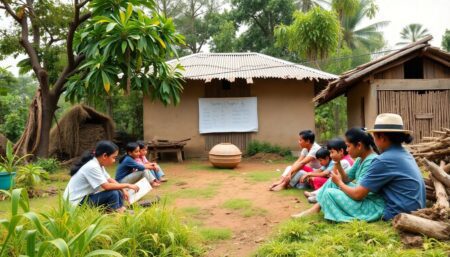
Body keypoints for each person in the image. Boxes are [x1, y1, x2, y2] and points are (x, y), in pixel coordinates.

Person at [291, 128, 385, 222]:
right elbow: (347, 179)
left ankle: (316, 208)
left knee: (329, 193)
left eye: (348, 146)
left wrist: (339, 183)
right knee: (333, 181)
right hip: (363, 198)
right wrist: (337, 162)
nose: (347, 150)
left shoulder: (371, 161)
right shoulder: (361, 159)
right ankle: (315, 209)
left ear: (359, 145)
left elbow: (358, 195)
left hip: (370, 206)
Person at [359, 113, 426, 220]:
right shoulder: (406, 153)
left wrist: (339, 183)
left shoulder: (383, 160)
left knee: (334, 195)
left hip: (399, 214)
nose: (374, 141)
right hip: (416, 209)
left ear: (382, 137)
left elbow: (358, 194)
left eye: (375, 136)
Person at [63, 140, 139, 213]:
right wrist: (128, 185)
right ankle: (115, 213)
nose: (114, 160)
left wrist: (123, 189)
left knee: (117, 190)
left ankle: (120, 209)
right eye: (114, 157)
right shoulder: (92, 166)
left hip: (84, 199)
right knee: (113, 193)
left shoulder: (98, 164)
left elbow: (109, 179)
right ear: (105, 156)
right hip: (76, 204)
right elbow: (106, 186)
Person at [303, 138, 354, 203]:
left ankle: (318, 196)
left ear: (341, 151)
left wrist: (309, 174)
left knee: (330, 180)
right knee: (331, 180)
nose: (330, 155)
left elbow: (335, 177)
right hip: (342, 184)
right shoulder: (342, 160)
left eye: (332, 152)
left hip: (345, 187)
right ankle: (316, 194)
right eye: (330, 153)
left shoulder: (344, 162)